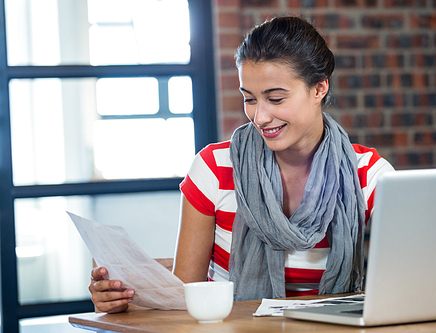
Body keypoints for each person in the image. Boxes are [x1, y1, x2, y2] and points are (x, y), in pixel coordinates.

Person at [89, 15, 394, 313]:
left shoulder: (366, 174)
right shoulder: (213, 168)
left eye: (275, 99)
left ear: (319, 89)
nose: (259, 117)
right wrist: (120, 298)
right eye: (250, 99)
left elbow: (416, 273)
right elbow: (184, 295)